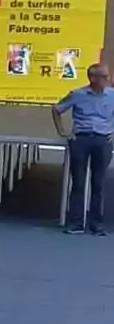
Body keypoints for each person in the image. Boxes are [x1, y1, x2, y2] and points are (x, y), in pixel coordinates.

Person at [52, 63, 114, 235]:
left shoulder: (112, 95)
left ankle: (97, 224)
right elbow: (57, 109)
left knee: (98, 183)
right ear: (93, 78)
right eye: (105, 77)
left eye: (108, 76)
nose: (108, 80)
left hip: (103, 140)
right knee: (78, 182)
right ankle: (76, 222)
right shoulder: (78, 94)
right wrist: (63, 132)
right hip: (81, 139)